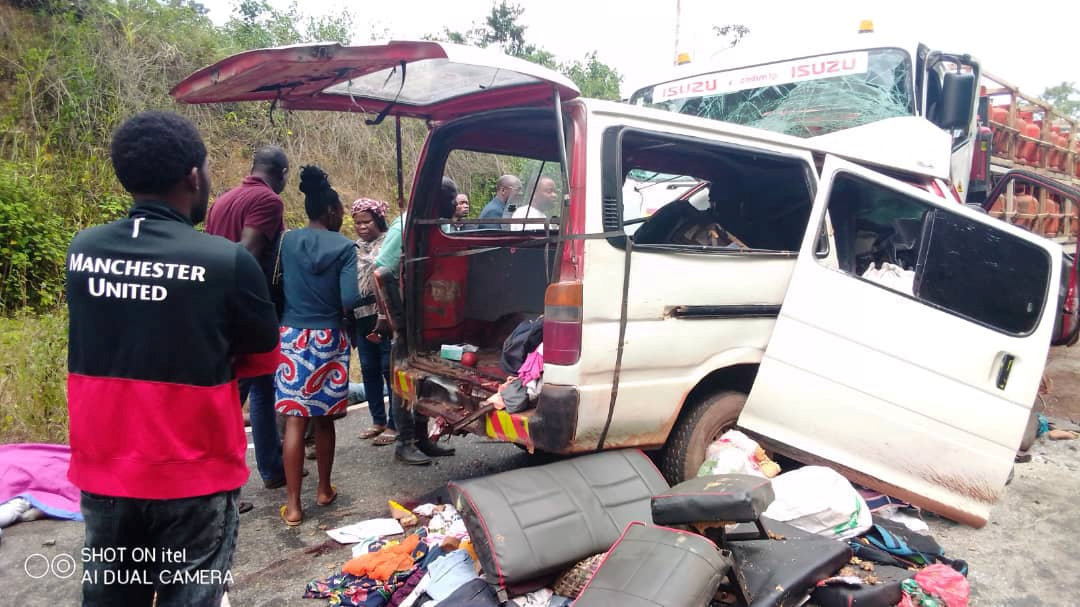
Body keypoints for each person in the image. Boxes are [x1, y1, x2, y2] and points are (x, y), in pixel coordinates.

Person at [66, 111, 280, 606]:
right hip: (197, 473)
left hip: (105, 470)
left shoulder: (83, 251)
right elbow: (263, 359)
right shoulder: (227, 262)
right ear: (193, 175)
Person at [275, 166, 360, 525]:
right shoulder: (344, 247)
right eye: (341, 210)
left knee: (295, 420)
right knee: (324, 421)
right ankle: (324, 490)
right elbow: (350, 298)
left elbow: (276, 284)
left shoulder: (287, 241)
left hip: (292, 336)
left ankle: (294, 507)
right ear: (329, 211)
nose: (343, 216)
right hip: (328, 337)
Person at [205, 144, 289, 490]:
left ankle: (270, 467)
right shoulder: (268, 201)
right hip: (247, 311)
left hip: (218, 306)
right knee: (238, 395)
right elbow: (247, 252)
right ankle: (216, 480)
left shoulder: (222, 200)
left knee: (258, 389)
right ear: (282, 173)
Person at [377, 177, 459, 465]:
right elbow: (381, 272)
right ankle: (404, 442)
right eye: (450, 198)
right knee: (404, 378)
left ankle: (422, 439)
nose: (454, 204)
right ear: (435, 198)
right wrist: (392, 319)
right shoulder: (405, 227)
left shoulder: (438, 225)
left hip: (432, 316)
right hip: (408, 319)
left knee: (425, 379)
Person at [350, 196, 397, 445]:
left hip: (386, 316)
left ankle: (394, 423)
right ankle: (377, 420)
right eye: (357, 223)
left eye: (366, 221)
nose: (361, 227)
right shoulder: (353, 249)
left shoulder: (389, 243)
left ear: (378, 220)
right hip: (361, 317)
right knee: (368, 369)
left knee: (388, 368)